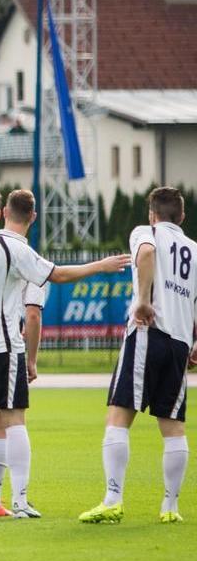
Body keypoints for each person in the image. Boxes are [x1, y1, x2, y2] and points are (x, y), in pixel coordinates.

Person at [0, 185, 129, 520]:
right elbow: (58, 274)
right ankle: (18, 501)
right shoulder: (8, 246)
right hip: (2, 347)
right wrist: (100, 266)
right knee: (12, 419)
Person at [80, 186, 197, 524]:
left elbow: (145, 253)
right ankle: (170, 508)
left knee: (119, 418)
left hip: (148, 332)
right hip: (178, 342)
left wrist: (143, 300)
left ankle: (113, 498)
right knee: (173, 426)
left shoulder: (146, 232)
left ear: (152, 214)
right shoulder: (192, 248)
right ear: (183, 216)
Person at [0, 190, 47, 518]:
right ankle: (20, 499)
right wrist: (32, 360)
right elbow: (33, 314)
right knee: (14, 421)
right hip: (8, 344)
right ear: (33, 217)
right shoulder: (26, 256)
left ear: (2, 212)